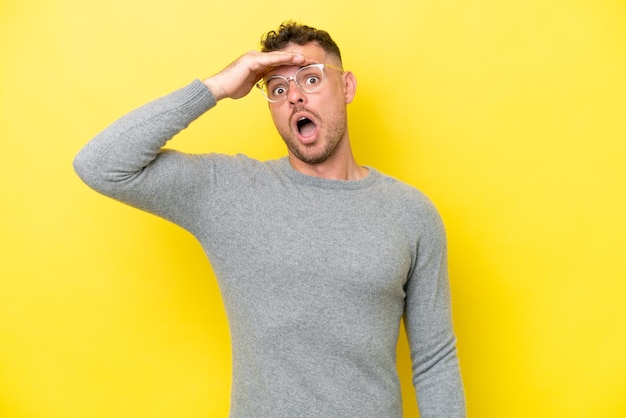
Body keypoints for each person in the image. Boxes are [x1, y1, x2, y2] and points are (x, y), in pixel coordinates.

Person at [74, 21, 466, 418]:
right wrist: (216, 87)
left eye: (310, 79)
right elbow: (100, 164)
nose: (294, 96)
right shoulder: (229, 192)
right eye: (278, 88)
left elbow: (436, 362)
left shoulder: (412, 214)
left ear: (346, 87)